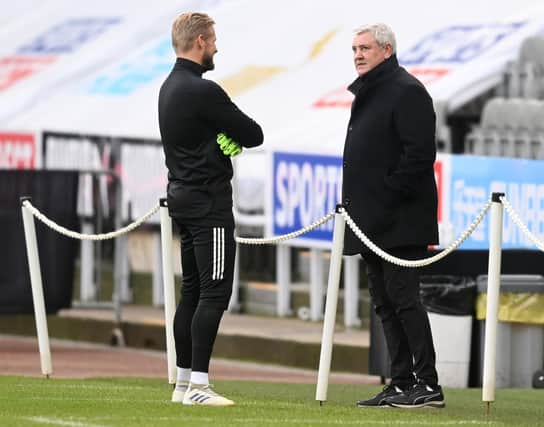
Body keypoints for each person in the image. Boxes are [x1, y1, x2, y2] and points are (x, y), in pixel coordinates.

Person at [158, 12, 263, 406]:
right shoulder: (204, 90)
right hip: (208, 203)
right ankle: (200, 385)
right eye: (213, 40)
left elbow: (202, 137)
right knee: (215, 293)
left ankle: (184, 383)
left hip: (182, 197)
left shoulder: (168, 87)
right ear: (200, 41)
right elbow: (253, 133)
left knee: (193, 291)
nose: (217, 46)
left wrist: (216, 138)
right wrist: (225, 136)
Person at [341, 23, 444, 408]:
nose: (358, 55)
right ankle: (401, 381)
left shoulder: (407, 91)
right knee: (384, 302)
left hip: (399, 222)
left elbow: (419, 157)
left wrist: (384, 197)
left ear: (386, 49)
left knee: (404, 299)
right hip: (372, 223)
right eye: (354, 49)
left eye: (365, 48)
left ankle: (427, 383)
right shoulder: (370, 92)